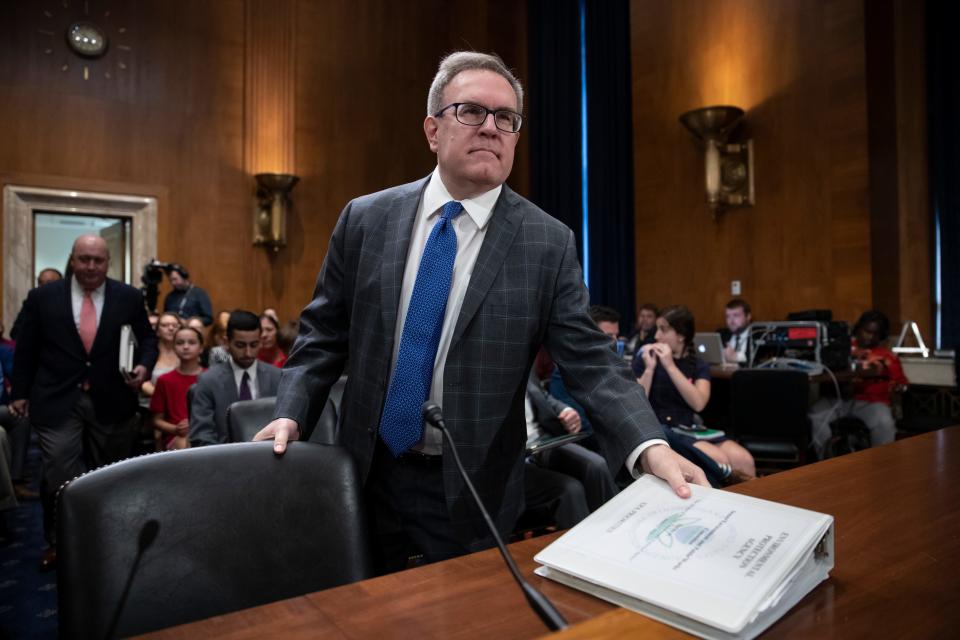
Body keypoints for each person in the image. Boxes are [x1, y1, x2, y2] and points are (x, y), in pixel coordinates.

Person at [253, 51, 706, 571]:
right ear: (432, 129)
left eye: (506, 119)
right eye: (471, 111)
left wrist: (649, 445)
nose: (491, 128)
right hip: (363, 472)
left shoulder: (546, 242)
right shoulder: (366, 219)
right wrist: (289, 412)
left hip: (471, 486)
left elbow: (592, 363)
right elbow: (322, 336)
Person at [9, 234, 156, 569]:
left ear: (108, 263)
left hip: (112, 399)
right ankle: (60, 543)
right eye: (84, 259)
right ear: (72, 259)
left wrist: (144, 367)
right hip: (57, 399)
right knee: (58, 472)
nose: (91, 266)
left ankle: (107, 540)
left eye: (98, 260)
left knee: (110, 475)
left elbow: (147, 339)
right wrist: (19, 392)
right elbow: (26, 348)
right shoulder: (43, 297)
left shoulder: (128, 297)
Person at [634, 305, 756, 482]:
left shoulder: (698, 365)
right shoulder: (646, 359)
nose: (657, 336)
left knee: (744, 460)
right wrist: (650, 369)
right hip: (663, 430)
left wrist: (670, 366)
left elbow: (698, 403)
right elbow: (637, 401)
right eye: (657, 329)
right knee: (719, 459)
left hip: (690, 428)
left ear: (681, 336)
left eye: (663, 330)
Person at [810, 310, 907, 455]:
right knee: (815, 416)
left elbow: (901, 383)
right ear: (859, 328)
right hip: (838, 400)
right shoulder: (841, 348)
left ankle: (882, 463)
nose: (870, 337)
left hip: (871, 403)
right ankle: (827, 459)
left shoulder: (887, 356)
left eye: (876, 334)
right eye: (867, 331)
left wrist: (899, 388)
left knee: (884, 422)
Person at [524, 371, 618, 515]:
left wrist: (565, 410)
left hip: (544, 441)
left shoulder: (520, 361)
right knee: (571, 489)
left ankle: (614, 526)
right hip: (514, 454)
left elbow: (541, 395)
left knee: (597, 465)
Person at [189, 310, 282, 447]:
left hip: (270, 455)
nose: (248, 352)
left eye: (254, 345)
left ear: (261, 341)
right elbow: (202, 435)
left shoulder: (277, 377)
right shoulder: (208, 381)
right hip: (222, 458)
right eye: (240, 345)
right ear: (227, 342)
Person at [151, 326, 205, 450]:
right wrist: (175, 429)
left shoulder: (211, 377)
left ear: (201, 348)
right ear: (174, 347)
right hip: (176, 436)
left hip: (206, 432)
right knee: (184, 443)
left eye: (191, 342)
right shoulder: (165, 380)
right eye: (180, 343)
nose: (185, 347)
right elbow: (156, 420)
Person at [9, 267, 63, 341]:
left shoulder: (68, 303)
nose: (43, 287)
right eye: (40, 283)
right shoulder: (31, 303)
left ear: (61, 284)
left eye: (49, 283)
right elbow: (15, 333)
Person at [140, 312, 182, 402]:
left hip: (180, 403)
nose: (171, 328)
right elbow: (142, 382)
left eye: (175, 325)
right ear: (157, 331)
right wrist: (165, 396)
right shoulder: (148, 352)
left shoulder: (185, 351)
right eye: (164, 325)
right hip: (150, 403)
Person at [721, 298, 752, 364]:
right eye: (728, 316)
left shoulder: (758, 334)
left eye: (736, 315)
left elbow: (758, 360)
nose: (731, 321)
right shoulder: (721, 334)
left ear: (748, 317)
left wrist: (736, 357)